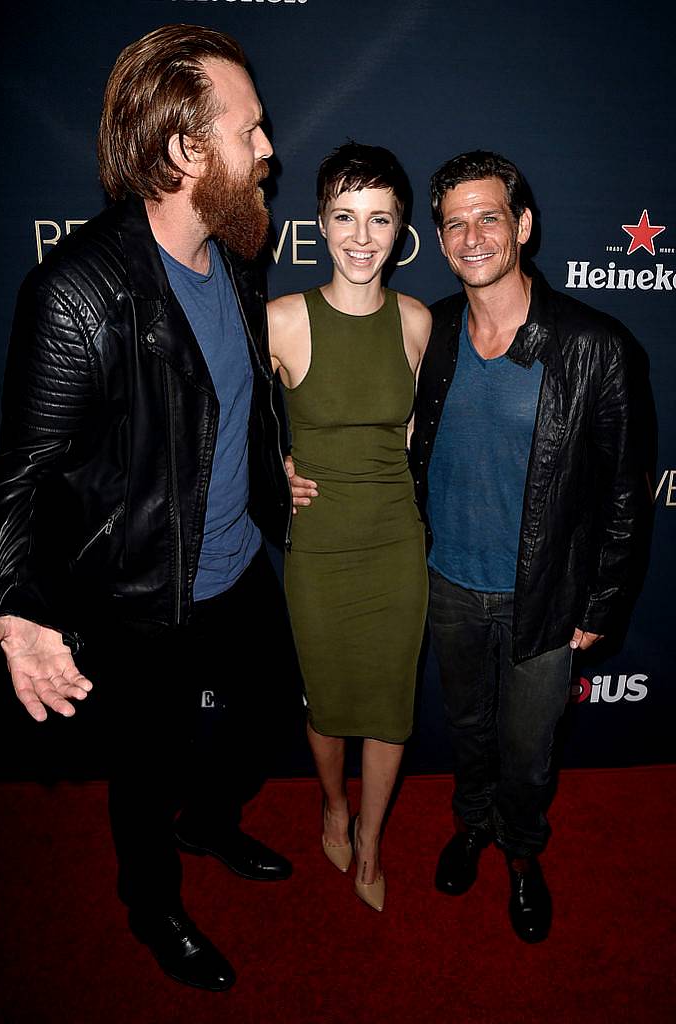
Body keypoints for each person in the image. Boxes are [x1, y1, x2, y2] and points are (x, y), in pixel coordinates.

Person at [0, 25, 315, 991]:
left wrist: (264, 467)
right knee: (144, 770)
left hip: (240, 564)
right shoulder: (78, 292)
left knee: (260, 720)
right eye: (250, 131)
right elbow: (23, 473)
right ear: (184, 151)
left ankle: (209, 826)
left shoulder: (239, 258)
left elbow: (222, 406)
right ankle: (153, 901)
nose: (268, 152)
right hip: (142, 597)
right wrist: (19, 601)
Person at [410, 150, 643, 942]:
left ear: (523, 225)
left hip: (544, 596)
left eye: (489, 217)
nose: (472, 235)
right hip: (447, 584)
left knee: (529, 750)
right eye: (454, 223)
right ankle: (471, 823)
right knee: (467, 728)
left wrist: (597, 605)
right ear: (439, 239)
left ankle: (521, 852)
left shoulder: (594, 346)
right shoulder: (428, 332)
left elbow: (622, 496)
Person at [267, 143, 431, 912]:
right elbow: (222, 426)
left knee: (391, 705)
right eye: (344, 217)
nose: (360, 238)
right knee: (329, 703)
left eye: (379, 220)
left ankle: (369, 841)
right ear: (321, 224)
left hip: (396, 546)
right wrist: (272, 471)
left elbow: (410, 442)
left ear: (400, 232)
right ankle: (334, 804)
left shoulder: (417, 322)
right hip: (320, 550)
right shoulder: (281, 320)